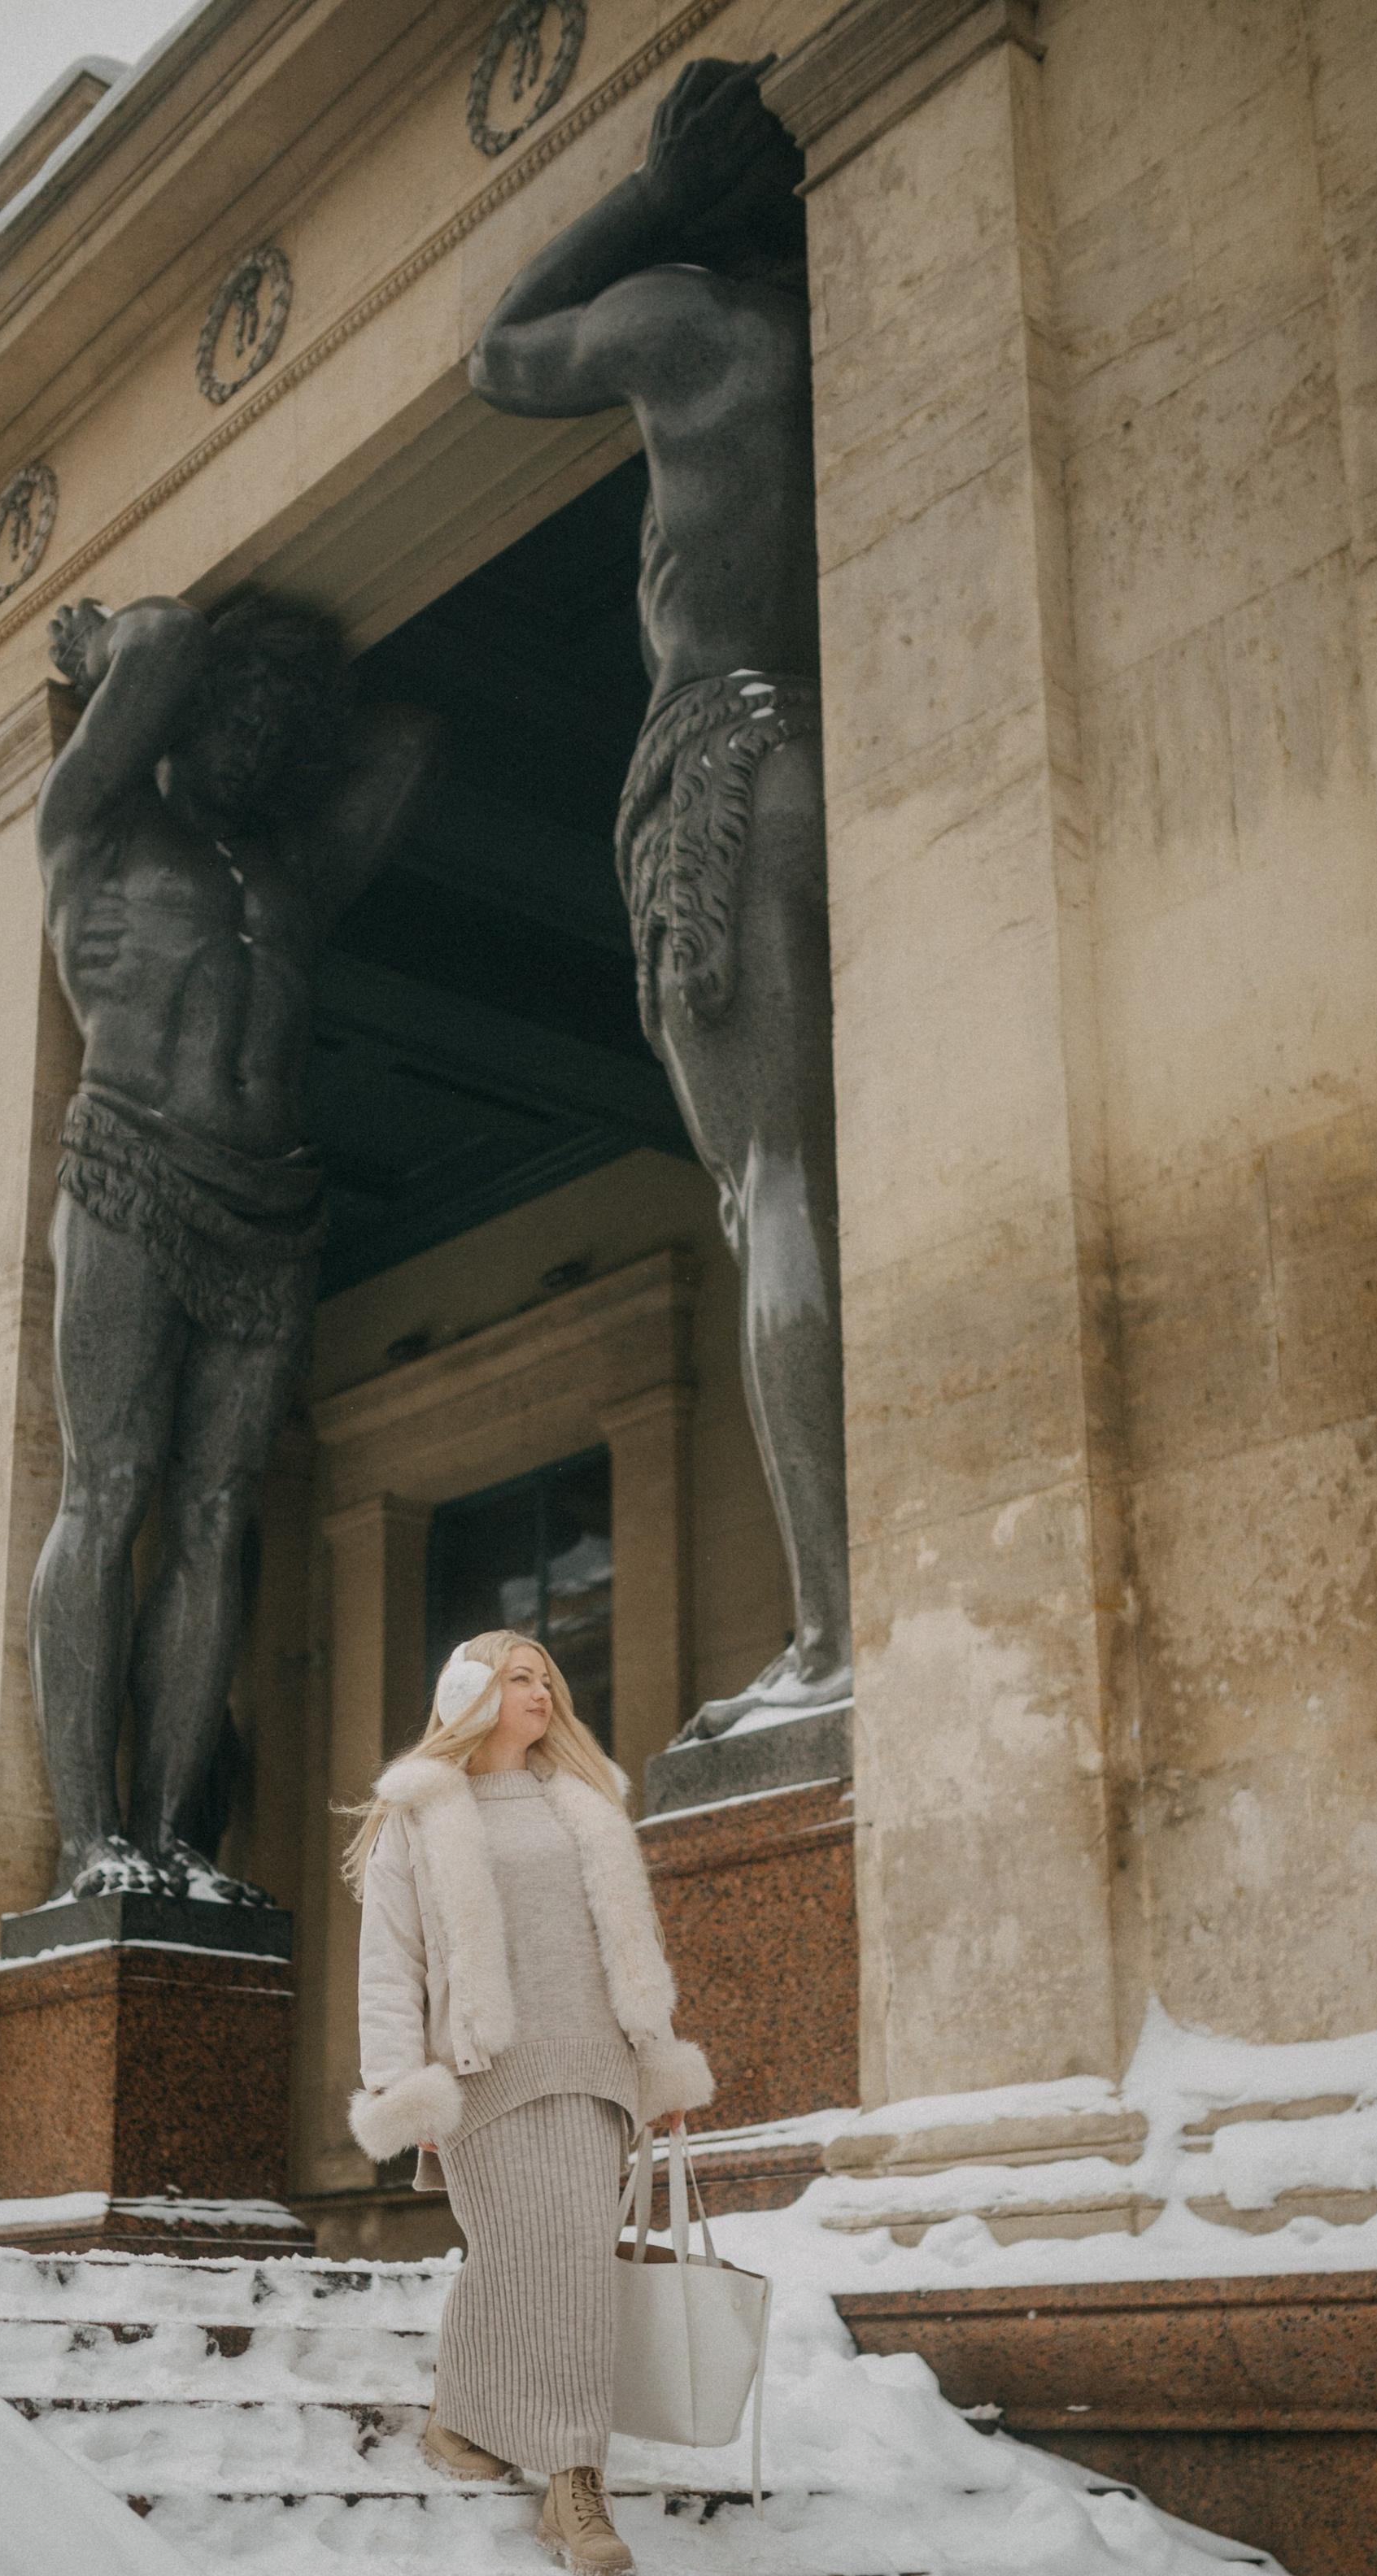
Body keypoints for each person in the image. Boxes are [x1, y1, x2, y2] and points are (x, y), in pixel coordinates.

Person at [468, 57, 852, 1741]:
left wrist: (649, 198)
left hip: (723, 758)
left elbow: (497, 351)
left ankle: (834, 1631)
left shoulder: (697, 324)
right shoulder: (840, 319)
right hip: (837, 738)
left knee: (774, 1188)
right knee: (815, 1182)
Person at [33, 590, 439, 1901]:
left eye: (280, 727)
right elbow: (158, 635)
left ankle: (169, 1838)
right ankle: (88, 1838)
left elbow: (410, 739)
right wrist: (115, 658)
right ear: (178, 712)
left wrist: (290, 704)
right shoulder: (94, 827)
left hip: (273, 1199)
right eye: (238, 715)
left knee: (214, 1512)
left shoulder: (293, 870)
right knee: (109, 1489)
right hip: (131, 1163)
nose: (256, 744)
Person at [343, 1631, 714, 2576]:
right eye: (518, 1679)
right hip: (483, 2074)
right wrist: (400, 2086)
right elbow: (389, 1965)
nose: (540, 1692)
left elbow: (628, 1948)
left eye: (545, 1678)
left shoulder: (582, 1803)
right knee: (516, 2256)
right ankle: (483, 2425)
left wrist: (656, 2063)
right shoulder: (418, 1812)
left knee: (576, 2263)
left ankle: (572, 2482)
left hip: (593, 2065)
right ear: (468, 1693)